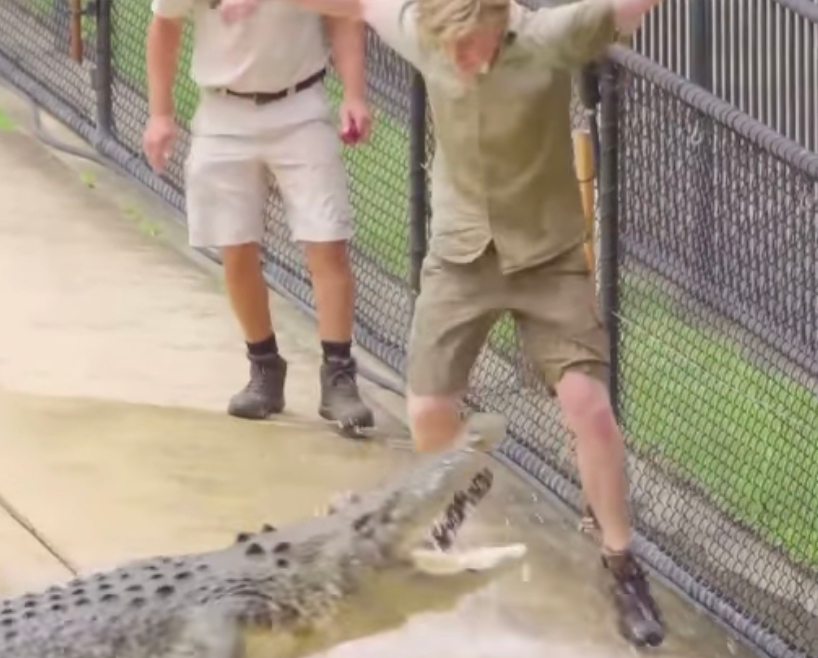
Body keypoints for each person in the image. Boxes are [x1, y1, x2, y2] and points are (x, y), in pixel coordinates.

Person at [219, 0, 667, 647]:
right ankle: (452, 497)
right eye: (447, 50)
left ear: (500, 25)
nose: (457, 60)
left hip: (548, 259)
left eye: (470, 48)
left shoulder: (546, 39)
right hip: (461, 257)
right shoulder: (426, 31)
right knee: (427, 407)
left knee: (587, 406)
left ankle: (622, 563)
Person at [141, 0, 378, 436]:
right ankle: (264, 367)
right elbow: (164, 27)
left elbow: (344, 15)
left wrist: (354, 94)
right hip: (223, 111)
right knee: (236, 246)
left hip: (301, 106)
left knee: (327, 240)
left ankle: (339, 378)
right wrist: (160, 114)